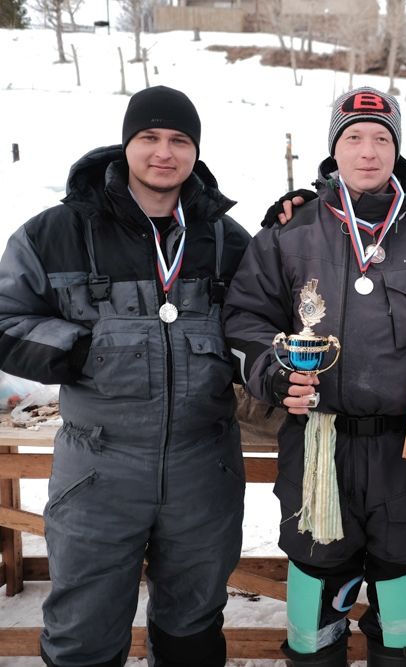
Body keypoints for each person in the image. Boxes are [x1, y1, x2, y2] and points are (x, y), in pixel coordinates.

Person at [222, 86, 406, 667]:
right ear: (334, 149)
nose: (368, 151)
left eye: (381, 139)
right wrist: (272, 372)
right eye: (354, 138)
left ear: (397, 150)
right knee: (314, 623)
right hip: (317, 453)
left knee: (404, 624)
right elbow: (243, 320)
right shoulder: (288, 235)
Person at [0, 86, 250, 666]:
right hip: (99, 469)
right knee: (83, 630)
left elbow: (263, 324)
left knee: (193, 625)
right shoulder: (56, 232)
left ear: (196, 151)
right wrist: (82, 350)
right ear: (127, 143)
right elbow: (6, 318)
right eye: (150, 138)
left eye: (179, 140)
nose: (164, 152)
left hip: (202, 468)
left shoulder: (226, 242)